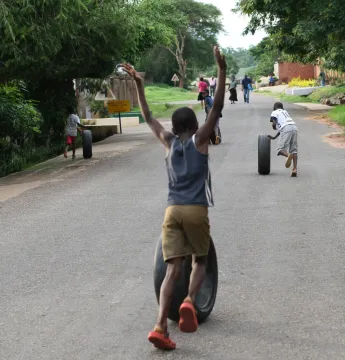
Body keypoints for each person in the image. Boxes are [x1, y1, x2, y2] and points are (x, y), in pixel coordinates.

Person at [120, 45, 226, 351]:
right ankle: (191, 301)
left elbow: (149, 116)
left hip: (171, 211)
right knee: (201, 261)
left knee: (172, 269)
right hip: (195, 210)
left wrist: (139, 86)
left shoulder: (167, 142)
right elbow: (216, 109)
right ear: (193, 127)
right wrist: (221, 70)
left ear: (173, 128)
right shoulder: (200, 140)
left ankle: (160, 326)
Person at [267, 102, 298, 177]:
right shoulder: (285, 112)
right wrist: (274, 137)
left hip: (286, 128)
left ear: (274, 108)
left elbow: (275, 125)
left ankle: (288, 155)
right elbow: (283, 128)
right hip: (294, 127)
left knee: (279, 149)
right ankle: (295, 169)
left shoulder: (274, 112)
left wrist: (274, 126)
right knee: (294, 150)